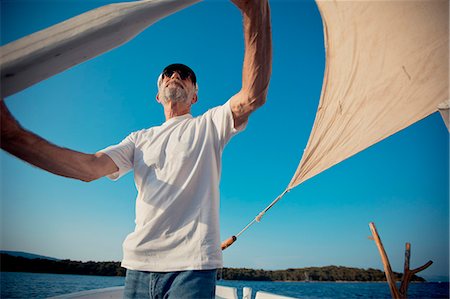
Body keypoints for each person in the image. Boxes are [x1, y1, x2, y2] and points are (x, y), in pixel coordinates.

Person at [0, 0, 272, 298]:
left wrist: (254, 12)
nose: (175, 75)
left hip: (192, 269)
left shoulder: (208, 125)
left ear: (195, 96)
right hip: (138, 268)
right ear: (157, 96)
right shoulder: (138, 139)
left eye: (185, 74)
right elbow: (89, 168)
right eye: (168, 73)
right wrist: (13, 136)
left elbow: (251, 97)